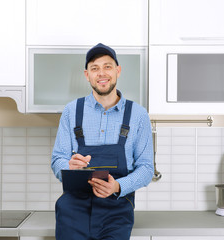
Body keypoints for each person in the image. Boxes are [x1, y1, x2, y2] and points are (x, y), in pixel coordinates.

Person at [51, 43, 154, 240]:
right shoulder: (71, 111)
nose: (102, 73)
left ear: (118, 70)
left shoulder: (138, 115)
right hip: (73, 211)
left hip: (116, 211)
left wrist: (117, 187)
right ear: (86, 74)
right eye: (95, 68)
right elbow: (57, 160)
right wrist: (68, 167)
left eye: (107, 66)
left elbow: (146, 168)